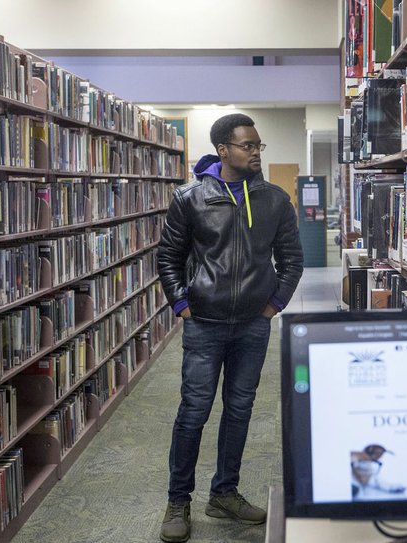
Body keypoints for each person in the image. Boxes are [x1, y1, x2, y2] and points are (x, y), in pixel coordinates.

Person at [157, 113, 304, 542]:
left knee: (240, 411)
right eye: (248, 146)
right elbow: (168, 257)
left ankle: (224, 493)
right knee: (193, 413)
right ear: (224, 150)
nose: (256, 152)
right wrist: (183, 304)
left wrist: (274, 304)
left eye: (259, 146)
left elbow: (292, 260)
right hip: (203, 323)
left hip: (252, 327)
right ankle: (178, 499)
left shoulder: (275, 200)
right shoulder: (190, 198)